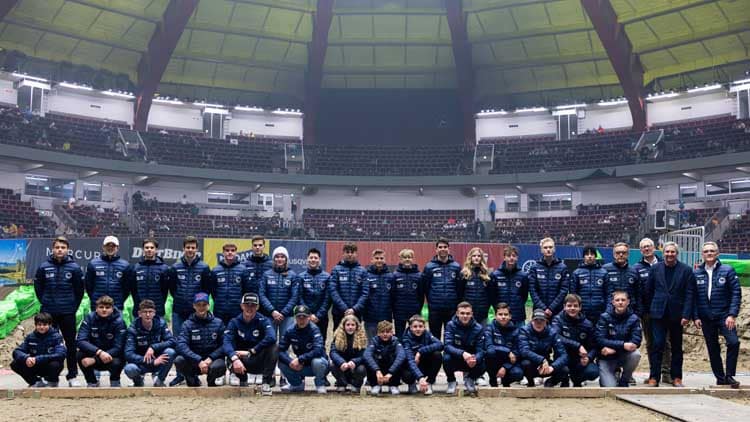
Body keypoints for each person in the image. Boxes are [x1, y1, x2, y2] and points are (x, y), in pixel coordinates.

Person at [33, 236, 84, 387]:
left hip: (67, 312)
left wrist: (72, 306)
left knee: (71, 344)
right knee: (48, 343)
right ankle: (51, 377)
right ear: (52, 249)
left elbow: (79, 291)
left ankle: (72, 376)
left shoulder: (74, 268)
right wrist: (46, 303)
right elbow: (39, 289)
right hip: (48, 313)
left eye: (63, 247)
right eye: (57, 247)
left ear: (67, 250)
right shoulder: (43, 267)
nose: (60, 250)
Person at [691, 242, 742, 388]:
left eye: (712, 251)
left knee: (733, 342)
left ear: (717, 253)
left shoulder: (728, 270)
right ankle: (720, 378)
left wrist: (732, 315)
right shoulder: (696, 273)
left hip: (725, 315)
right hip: (706, 317)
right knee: (713, 348)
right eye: (706, 251)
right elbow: (693, 297)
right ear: (702, 254)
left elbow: (736, 293)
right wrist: (696, 316)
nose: (709, 253)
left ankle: (730, 375)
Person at [644, 241, 695, 387]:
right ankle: (654, 377)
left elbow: (690, 294)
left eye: (672, 252)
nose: (670, 254)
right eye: (667, 252)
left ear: (677, 254)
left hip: (677, 315)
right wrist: (650, 310)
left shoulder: (686, 270)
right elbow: (648, 291)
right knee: (657, 345)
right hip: (658, 314)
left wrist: (686, 314)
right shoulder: (655, 269)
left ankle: (676, 377)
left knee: (677, 347)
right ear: (663, 253)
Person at [168, 236, 210, 386]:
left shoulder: (204, 268)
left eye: (193, 247)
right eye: (188, 247)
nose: (190, 250)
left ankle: (192, 374)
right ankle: (180, 375)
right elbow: (172, 289)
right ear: (183, 248)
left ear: (196, 249)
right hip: (179, 311)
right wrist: (182, 300)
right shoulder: (175, 267)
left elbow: (206, 290)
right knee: (179, 343)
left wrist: (198, 307)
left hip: (196, 313)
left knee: (194, 343)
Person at [223, 293, 277, 394]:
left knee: (274, 347)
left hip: (257, 358)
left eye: (253, 305)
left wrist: (252, 351)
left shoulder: (263, 320)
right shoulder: (234, 322)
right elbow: (226, 342)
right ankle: (242, 380)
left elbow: (272, 337)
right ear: (242, 306)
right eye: (247, 305)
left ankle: (266, 383)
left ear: (257, 307)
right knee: (229, 352)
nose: (249, 308)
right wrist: (234, 358)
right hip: (241, 360)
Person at [633, 237, 669, 384]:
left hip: (664, 311)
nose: (647, 249)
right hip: (647, 312)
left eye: (649, 246)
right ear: (640, 250)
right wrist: (641, 310)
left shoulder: (664, 264)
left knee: (665, 342)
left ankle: (666, 372)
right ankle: (654, 374)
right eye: (644, 247)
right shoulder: (636, 268)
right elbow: (637, 292)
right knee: (651, 343)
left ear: (654, 248)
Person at [174, 292, 226, 387]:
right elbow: (181, 345)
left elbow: (224, 344)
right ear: (194, 306)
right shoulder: (187, 324)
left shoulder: (218, 323)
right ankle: (192, 381)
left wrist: (210, 358)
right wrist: (198, 360)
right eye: (198, 305)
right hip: (194, 362)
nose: (201, 307)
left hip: (211, 361)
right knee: (179, 360)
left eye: (204, 305)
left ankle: (211, 381)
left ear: (208, 306)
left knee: (220, 365)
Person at [76, 295, 127, 387]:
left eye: (107, 307)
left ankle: (115, 381)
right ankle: (92, 382)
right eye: (101, 307)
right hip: (95, 353)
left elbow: (119, 347)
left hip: (111, 356)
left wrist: (95, 359)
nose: (104, 310)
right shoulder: (89, 318)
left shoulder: (119, 322)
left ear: (112, 309)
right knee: (80, 354)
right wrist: (99, 352)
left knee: (119, 359)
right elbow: (81, 340)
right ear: (96, 309)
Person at [123, 299, 176, 387]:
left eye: (150, 312)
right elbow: (128, 354)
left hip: (158, 360)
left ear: (154, 313)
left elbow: (172, 341)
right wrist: (152, 362)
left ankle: (159, 380)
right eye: (145, 312)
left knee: (170, 352)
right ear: (139, 313)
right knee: (129, 368)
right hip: (141, 362)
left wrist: (153, 347)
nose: (148, 315)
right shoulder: (133, 329)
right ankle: (138, 382)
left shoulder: (161, 324)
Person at [278, 305, 328, 394]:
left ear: (309, 317)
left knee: (318, 362)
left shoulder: (314, 330)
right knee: (282, 363)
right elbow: (280, 350)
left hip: (316, 365)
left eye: (304, 317)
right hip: (300, 366)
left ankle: (320, 384)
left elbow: (318, 350)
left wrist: (300, 359)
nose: (301, 320)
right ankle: (296, 384)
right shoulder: (290, 330)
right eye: (299, 317)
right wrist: (290, 361)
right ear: (295, 318)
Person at [596, 290, 642, 387]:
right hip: (607, 357)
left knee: (636, 355)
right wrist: (623, 345)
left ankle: (624, 380)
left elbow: (636, 341)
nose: (620, 302)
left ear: (628, 302)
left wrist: (615, 348)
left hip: (623, 355)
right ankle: (607, 377)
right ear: (613, 302)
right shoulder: (604, 317)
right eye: (617, 300)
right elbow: (600, 339)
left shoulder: (634, 318)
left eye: (623, 300)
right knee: (610, 387)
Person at [551, 294, 598, 387]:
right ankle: (558, 379)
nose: (572, 308)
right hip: (562, 357)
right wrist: (578, 346)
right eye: (569, 306)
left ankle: (577, 380)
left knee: (593, 372)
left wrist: (588, 357)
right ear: (564, 307)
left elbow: (594, 346)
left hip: (579, 359)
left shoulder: (587, 324)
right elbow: (555, 337)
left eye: (575, 306)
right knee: (562, 369)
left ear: (580, 307)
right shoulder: (557, 320)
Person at [422, 238, 463, 341]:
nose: (443, 249)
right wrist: (432, 301)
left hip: (451, 308)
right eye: (440, 247)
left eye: (445, 247)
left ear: (449, 249)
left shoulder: (456, 267)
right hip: (435, 309)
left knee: (450, 336)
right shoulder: (429, 267)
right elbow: (426, 287)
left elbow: (459, 288)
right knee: (434, 337)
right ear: (436, 249)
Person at [11, 312, 66, 387]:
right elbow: (17, 351)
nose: (42, 327)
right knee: (15, 363)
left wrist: (38, 359)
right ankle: (35, 382)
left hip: (48, 366)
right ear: (35, 325)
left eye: (45, 325)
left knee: (55, 364)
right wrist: (26, 358)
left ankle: (52, 381)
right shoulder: (30, 337)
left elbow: (61, 354)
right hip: (34, 365)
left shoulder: (57, 337)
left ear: (50, 325)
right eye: (39, 325)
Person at [518, 309, 568, 387]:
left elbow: (563, 354)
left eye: (542, 320)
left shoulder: (552, 332)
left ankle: (551, 382)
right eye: (536, 320)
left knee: (564, 369)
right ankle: (530, 383)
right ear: (532, 321)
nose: (539, 323)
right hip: (532, 363)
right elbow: (524, 351)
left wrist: (553, 367)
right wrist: (542, 360)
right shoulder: (524, 330)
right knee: (525, 364)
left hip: (547, 365)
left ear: (546, 322)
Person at [443, 301, 485, 395]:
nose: (465, 316)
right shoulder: (450, 325)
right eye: (462, 313)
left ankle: (470, 379)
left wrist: (475, 358)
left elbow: (481, 350)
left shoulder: (479, 328)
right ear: (457, 313)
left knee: (484, 360)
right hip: (456, 357)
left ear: (472, 314)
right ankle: (451, 381)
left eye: (467, 313)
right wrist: (462, 353)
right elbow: (447, 346)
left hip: (471, 360)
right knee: (446, 358)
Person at [124, 238, 170, 317]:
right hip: (140, 309)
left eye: (152, 247)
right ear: (143, 249)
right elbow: (133, 290)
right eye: (147, 247)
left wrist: (160, 303)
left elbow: (165, 290)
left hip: (157, 309)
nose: (149, 250)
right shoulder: (135, 268)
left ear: (156, 250)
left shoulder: (164, 268)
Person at [329, 242, 369, 331]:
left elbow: (365, 293)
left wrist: (354, 309)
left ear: (356, 253)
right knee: (338, 338)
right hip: (339, 312)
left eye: (352, 252)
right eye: (347, 252)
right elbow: (333, 291)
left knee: (356, 338)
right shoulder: (336, 270)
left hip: (356, 313)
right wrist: (345, 309)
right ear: (343, 254)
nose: (350, 254)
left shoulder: (363, 271)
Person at [295, 248, 331, 345]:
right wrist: (308, 314)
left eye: (315, 258)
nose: (313, 260)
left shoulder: (327, 277)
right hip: (304, 317)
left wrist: (318, 315)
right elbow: (299, 297)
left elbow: (327, 299)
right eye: (311, 257)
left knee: (320, 343)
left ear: (320, 260)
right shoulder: (301, 277)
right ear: (307, 259)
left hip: (322, 318)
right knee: (305, 343)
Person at [85, 236, 130, 311]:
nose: (110, 248)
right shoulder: (93, 263)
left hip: (116, 305)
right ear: (103, 247)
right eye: (108, 245)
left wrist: (120, 300)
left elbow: (127, 288)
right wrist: (94, 298)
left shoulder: (125, 265)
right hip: (97, 305)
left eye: (113, 246)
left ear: (117, 248)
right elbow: (88, 285)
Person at [208, 242, 249, 324]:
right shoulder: (215, 270)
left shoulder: (243, 270)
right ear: (223, 252)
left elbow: (246, 290)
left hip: (237, 311)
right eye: (227, 250)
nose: (230, 252)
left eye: (232, 250)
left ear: (236, 252)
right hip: (219, 310)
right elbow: (213, 291)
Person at [484, 303, 524, 387]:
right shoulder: (489, 328)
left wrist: (505, 367)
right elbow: (489, 346)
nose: (503, 317)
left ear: (510, 316)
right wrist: (508, 351)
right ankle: (493, 380)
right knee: (489, 353)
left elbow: (517, 352)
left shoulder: (516, 330)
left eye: (506, 314)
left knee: (518, 374)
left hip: (509, 361)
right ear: (495, 316)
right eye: (500, 314)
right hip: (494, 360)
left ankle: (506, 381)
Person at [529, 238, 570, 319]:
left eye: (550, 247)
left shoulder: (563, 268)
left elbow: (564, 290)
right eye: (545, 247)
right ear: (541, 250)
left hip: (557, 310)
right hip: (539, 310)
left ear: (554, 249)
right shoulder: (534, 267)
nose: (548, 249)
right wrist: (544, 308)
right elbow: (532, 290)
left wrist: (551, 308)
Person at [401, 315, 442, 395]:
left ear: (424, 327)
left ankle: (429, 382)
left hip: (424, 363)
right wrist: (420, 378)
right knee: (406, 375)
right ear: (410, 327)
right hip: (412, 365)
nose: (418, 329)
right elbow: (410, 361)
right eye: (415, 326)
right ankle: (412, 384)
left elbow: (440, 344)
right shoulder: (406, 339)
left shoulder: (427, 334)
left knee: (437, 355)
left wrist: (420, 351)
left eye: (420, 326)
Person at [363, 320, 407, 396]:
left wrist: (390, 373)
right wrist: (377, 370)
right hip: (378, 371)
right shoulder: (374, 341)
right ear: (378, 333)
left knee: (399, 361)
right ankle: (375, 385)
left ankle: (393, 385)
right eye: (382, 332)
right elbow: (366, 355)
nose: (385, 334)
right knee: (369, 359)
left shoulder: (396, 342)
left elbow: (401, 356)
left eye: (388, 332)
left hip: (391, 372)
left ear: (392, 333)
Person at [490, 246, 529, 325]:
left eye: (514, 256)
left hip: (518, 316)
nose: (511, 258)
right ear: (504, 257)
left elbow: (524, 296)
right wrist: (499, 310)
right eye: (508, 256)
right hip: (502, 316)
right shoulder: (495, 275)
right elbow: (493, 296)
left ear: (517, 257)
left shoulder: (523, 276)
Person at [329, 315, 368, 393]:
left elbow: (364, 355)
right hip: (343, 367)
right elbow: (333, 352)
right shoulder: (337, 336)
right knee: (333, 365)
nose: (350, 327)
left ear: (356, 326)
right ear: (344, 326)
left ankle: (356, 385)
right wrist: (341, 362)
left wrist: (354, 361)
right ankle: (341, 384)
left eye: (353, 325)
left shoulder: (362, 337)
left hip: (355, 367)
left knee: (362, 368)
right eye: (348, 325)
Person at [570, 246, 607, 325]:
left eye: (592, 254)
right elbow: (573, 294)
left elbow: (608, 293)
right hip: (582, 313)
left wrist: (606, 311)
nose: (589, 256)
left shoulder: (604, 273)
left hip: (600, 313)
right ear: (584, 256)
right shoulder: (576, 273)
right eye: (587, 254)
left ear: (595, 256)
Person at [603, 243, 642, 317]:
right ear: (614, 254)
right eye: (618, 253)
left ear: (628, 254)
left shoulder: (634, 271)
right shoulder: (605, 269)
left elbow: (638, 294)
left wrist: (638, 312)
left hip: (630, 312)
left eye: (624, 253)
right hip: (609, 313)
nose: (621, 255)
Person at [392, 249, 424, 335]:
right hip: (399, 312)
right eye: (404, 257)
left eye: (409, 257)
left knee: (414, 335)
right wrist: (395, 309)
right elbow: (393, 295)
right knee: (400, 335)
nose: (407, 259)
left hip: (414, 311)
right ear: (400, 259)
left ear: (412, 259)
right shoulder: (395, 275)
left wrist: (418, 308)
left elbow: (421, 295)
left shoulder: (419, 275)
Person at [363, 249, 394, 338]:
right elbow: (364, 295)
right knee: (371, 342)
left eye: (381, 258)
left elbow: (393, 297)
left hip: (386, 317)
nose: (379, 260)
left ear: (384, 260)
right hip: (370, 318)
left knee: (386, 342)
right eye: (377, 258)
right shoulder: (366, 275)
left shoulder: (390, 276)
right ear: (372, 260)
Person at [460, 247, 492, 326]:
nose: (476, 258)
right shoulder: (464, 274)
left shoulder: (487, 274)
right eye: (474, 256)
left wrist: (486, 308)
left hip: (483, 314)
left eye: (479, 256)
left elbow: (490, 294)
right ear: (470, 258)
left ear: (482, 258)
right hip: (467, 314)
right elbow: (460, 293)